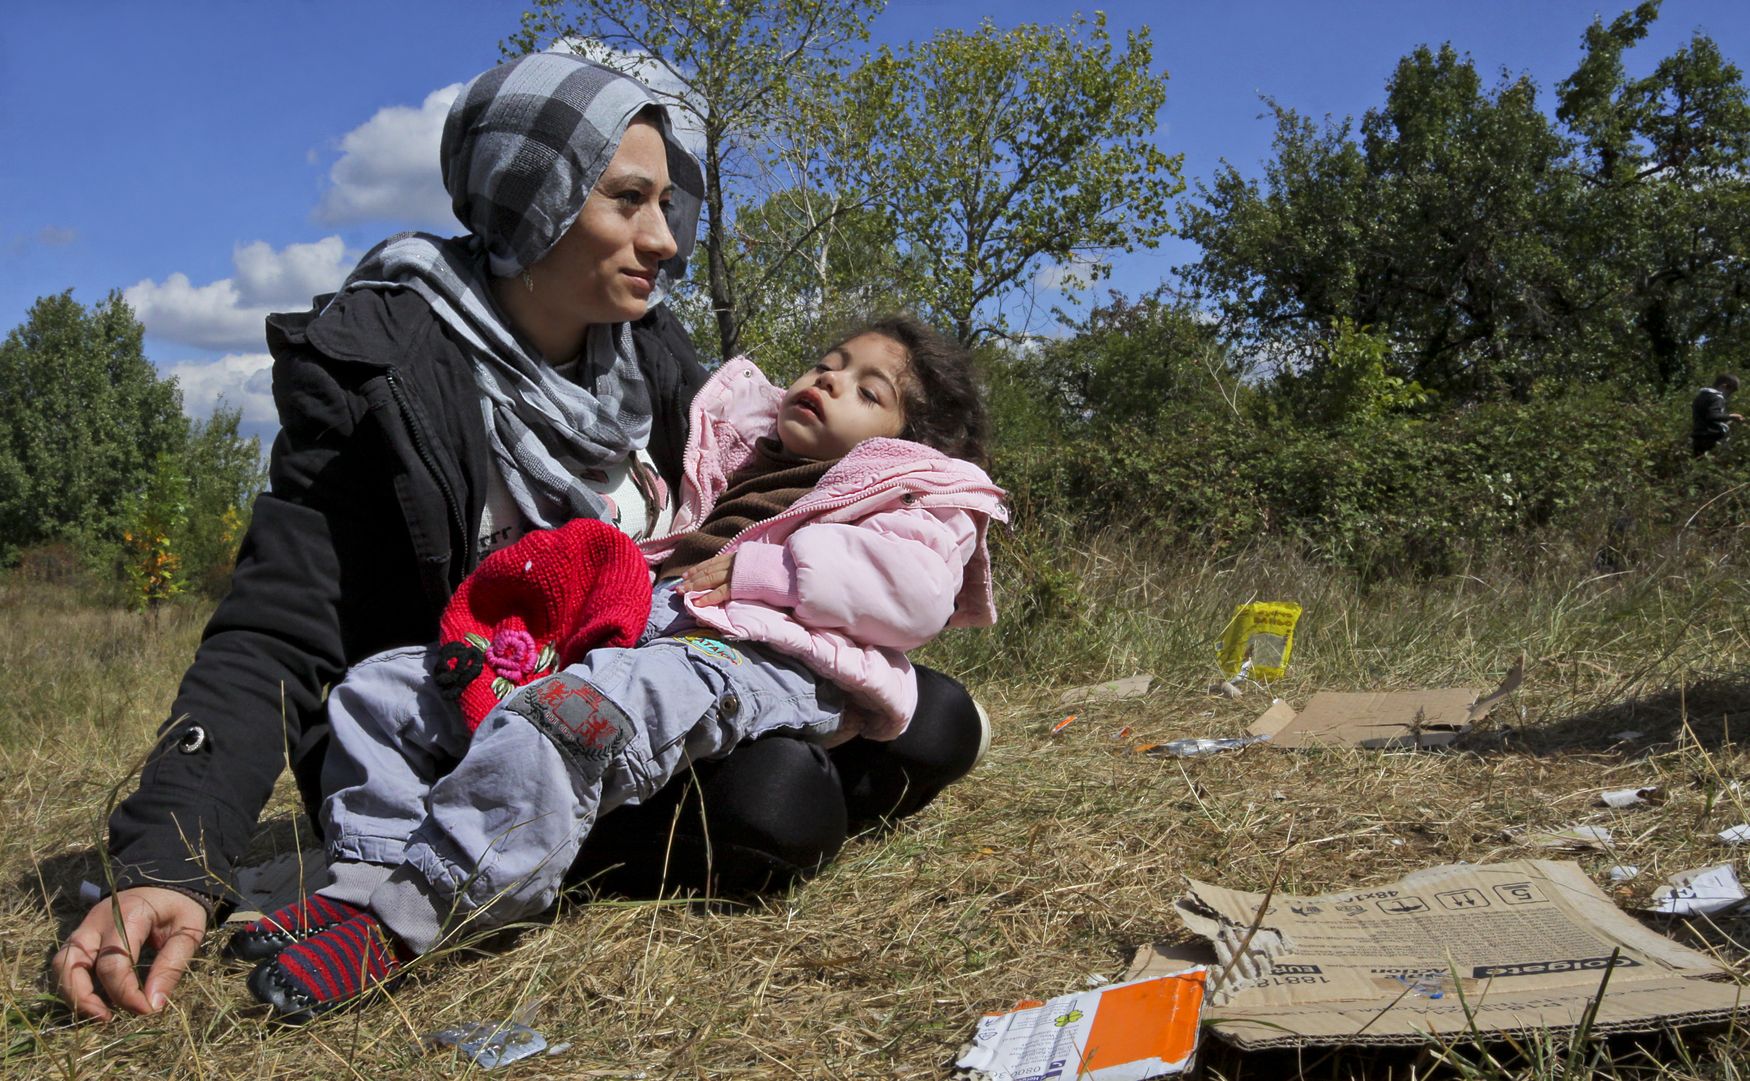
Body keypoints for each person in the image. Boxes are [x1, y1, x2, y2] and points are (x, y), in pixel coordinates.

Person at [52, 54, 989, 1022]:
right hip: (467, 716)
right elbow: (276, 626)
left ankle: (515, 857)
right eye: (628, 200)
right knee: (778, 800)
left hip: (634, 681)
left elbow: (787, 516)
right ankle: (400, 891)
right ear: (532, 197)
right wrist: (167, 857)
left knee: (935, 717)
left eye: (669, 203)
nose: (665, 239)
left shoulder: (652, 358)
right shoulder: (382, 367)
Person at [233, 316, 1005, 1020]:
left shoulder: (914, 496)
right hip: (651, 633)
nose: (831, 379)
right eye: (829, 362)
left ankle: (411, 918)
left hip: (756, 655)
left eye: (869, 390)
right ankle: (365, 875)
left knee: (568, 717)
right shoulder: (740, 450)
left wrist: (767, 569)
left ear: (911, 441)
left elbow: (914, 593)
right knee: (384, 687)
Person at [1692, 373, 1743, 457]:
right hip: (1710, 437)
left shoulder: (1701, 396)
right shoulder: (1717, 398)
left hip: (1698, 436)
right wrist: (1731, 417)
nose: (1730, 395)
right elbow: (1713, 416)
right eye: (1731, 391)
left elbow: (1704, 417)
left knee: (1699, 461)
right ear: (1724, 386)